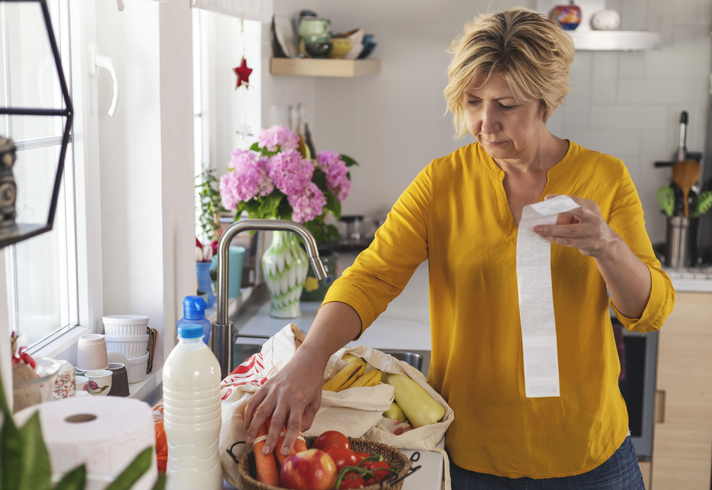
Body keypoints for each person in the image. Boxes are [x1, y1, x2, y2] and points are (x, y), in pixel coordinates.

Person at [244, 7, 675, 488]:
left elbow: (650, 311)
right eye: (473, 102)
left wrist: (608, 248)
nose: (485, 123)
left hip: (590, 453)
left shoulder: (605, 178)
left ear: (546, 102)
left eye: (505, 105)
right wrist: (311, 357)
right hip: (473, 457)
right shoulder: (442, 182)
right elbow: (373, 275)